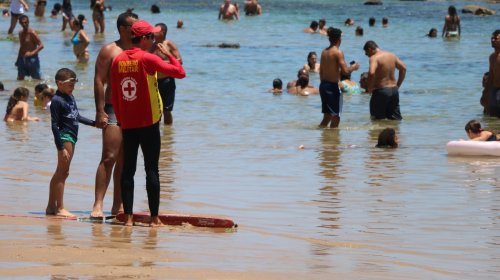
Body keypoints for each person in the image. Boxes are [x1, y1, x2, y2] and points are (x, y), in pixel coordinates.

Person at [110, 20, 186, 226]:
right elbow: (180, 72)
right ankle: (154, 219)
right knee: (151, 169)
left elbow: (115, 94)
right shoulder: (148, 58)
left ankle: (128, 219)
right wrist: (170, 55)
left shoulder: (117, 61)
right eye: (151, 37)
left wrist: (120, 118)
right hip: (149, 122)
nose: (153, 40)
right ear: (143, 39)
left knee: (128, 170)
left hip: (127, 124)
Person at [91, 11, 139, 218]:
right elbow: (99, 80)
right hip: (113, 108)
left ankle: (118, 206)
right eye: (132, 27)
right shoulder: (109, 50)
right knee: (109, 157)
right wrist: (100, 110)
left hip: (135, 111)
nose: (136, 30)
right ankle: (98, 205)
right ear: (122, 28)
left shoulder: (140, 50)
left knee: (125, 160)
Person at [46, 68, 96, 217]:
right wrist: (61, 148)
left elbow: (77, 116)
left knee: (60, 172)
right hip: (65, 136)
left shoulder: (70, 96)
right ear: (59, 84)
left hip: (72, 136)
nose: (73, 87)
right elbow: (54, 125)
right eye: (70, 84)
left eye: (74, 84)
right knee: (63, 172)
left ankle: (50, 207)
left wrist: (94, 123)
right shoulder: (57, 100)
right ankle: (60, 207)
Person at [319, 27, 360, 128]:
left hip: (323, 85)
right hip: (332, 87)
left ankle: (322, 137)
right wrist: (353, 68)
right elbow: (345, 71)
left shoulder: (324, 51)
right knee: (336, 117)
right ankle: (333, 141)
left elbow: (322, 71)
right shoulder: (338, 52)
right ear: (339, 39)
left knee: (327, 116)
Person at [363, 40, 406, 120]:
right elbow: (403, 68)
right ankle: (397, 132)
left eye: (366, 53)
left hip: (381, 91)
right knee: (395, 120)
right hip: (394, 91)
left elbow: (371, 73)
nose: (367, 56)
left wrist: (369, 88)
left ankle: (376, 133)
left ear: (370, 49)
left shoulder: (374, 58)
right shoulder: (391, 55)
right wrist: (397, 85)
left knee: (377, 120)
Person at [152, 23, 183, 125]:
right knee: (154, 111)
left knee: (167, 111)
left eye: (156, 30)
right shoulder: (151, 45)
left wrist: (160, 64)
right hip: (153, 82)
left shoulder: (169, 44)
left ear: (163, 32)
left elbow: (179, 61)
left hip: (167, 81)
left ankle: (167, 135)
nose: (153, 31)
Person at [16, 15, 44, 81]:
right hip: (22, 58)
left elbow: (41, 45)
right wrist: (17, 59)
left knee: (36, 79)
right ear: (20, 23)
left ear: (28, 22)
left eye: (25, 22)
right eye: (22, 22)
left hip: (32, 59)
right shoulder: (20, 33)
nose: (24, 24)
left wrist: (32, 53)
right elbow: (21, 46)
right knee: (20, 78)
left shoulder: (32, 33)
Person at [487, 30, 500, 117]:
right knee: (492, 116)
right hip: (494, 89)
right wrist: (485, 92)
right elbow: (491, 75)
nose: (493, 40)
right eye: (492, 38)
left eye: (496, 38)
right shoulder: (492, 57)